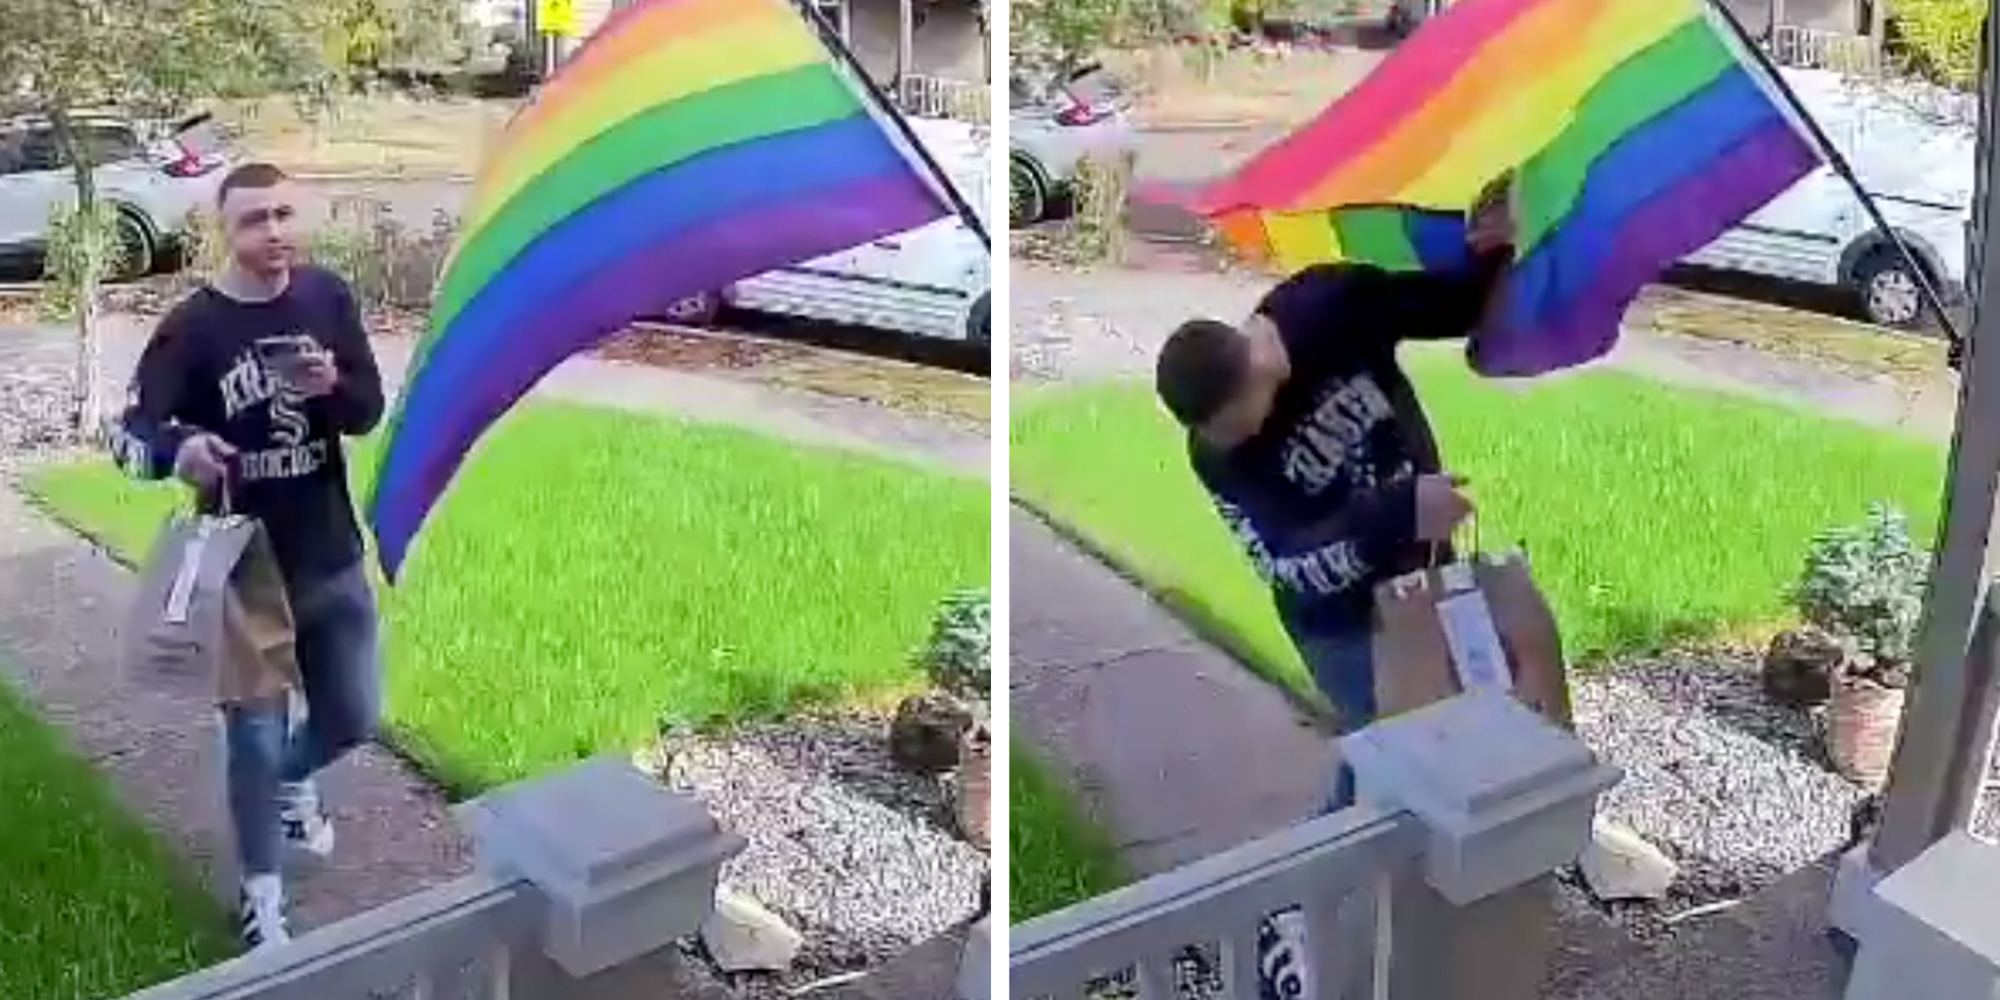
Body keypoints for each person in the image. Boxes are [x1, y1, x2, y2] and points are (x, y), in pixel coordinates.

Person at [1152, 177, 1516, 1000]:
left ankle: (1368, 888)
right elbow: (1293, 561)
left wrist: (1489, 249)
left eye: (1222, 423)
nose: (1218, 446)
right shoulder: (1220, 457)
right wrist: (1401, 510)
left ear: (1249, 378)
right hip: (1340, 622)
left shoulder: (1329, 305)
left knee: (1438, 728)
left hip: (1423, 569)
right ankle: (1295, 905)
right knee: (1381, 754)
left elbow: (1446, 310)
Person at [111, 162, 386, 950]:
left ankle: (297, 780)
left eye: (284, 214)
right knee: (253, 739)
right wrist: (180, 450)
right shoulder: (192, 327)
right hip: (242, 567)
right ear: (225, 233)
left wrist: (335, 383)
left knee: (352, 715)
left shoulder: (327, 298)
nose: (274, 232)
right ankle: (261, 897)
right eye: (254, 220)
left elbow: (366, 412)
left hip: (329, 549)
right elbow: (129, 435)